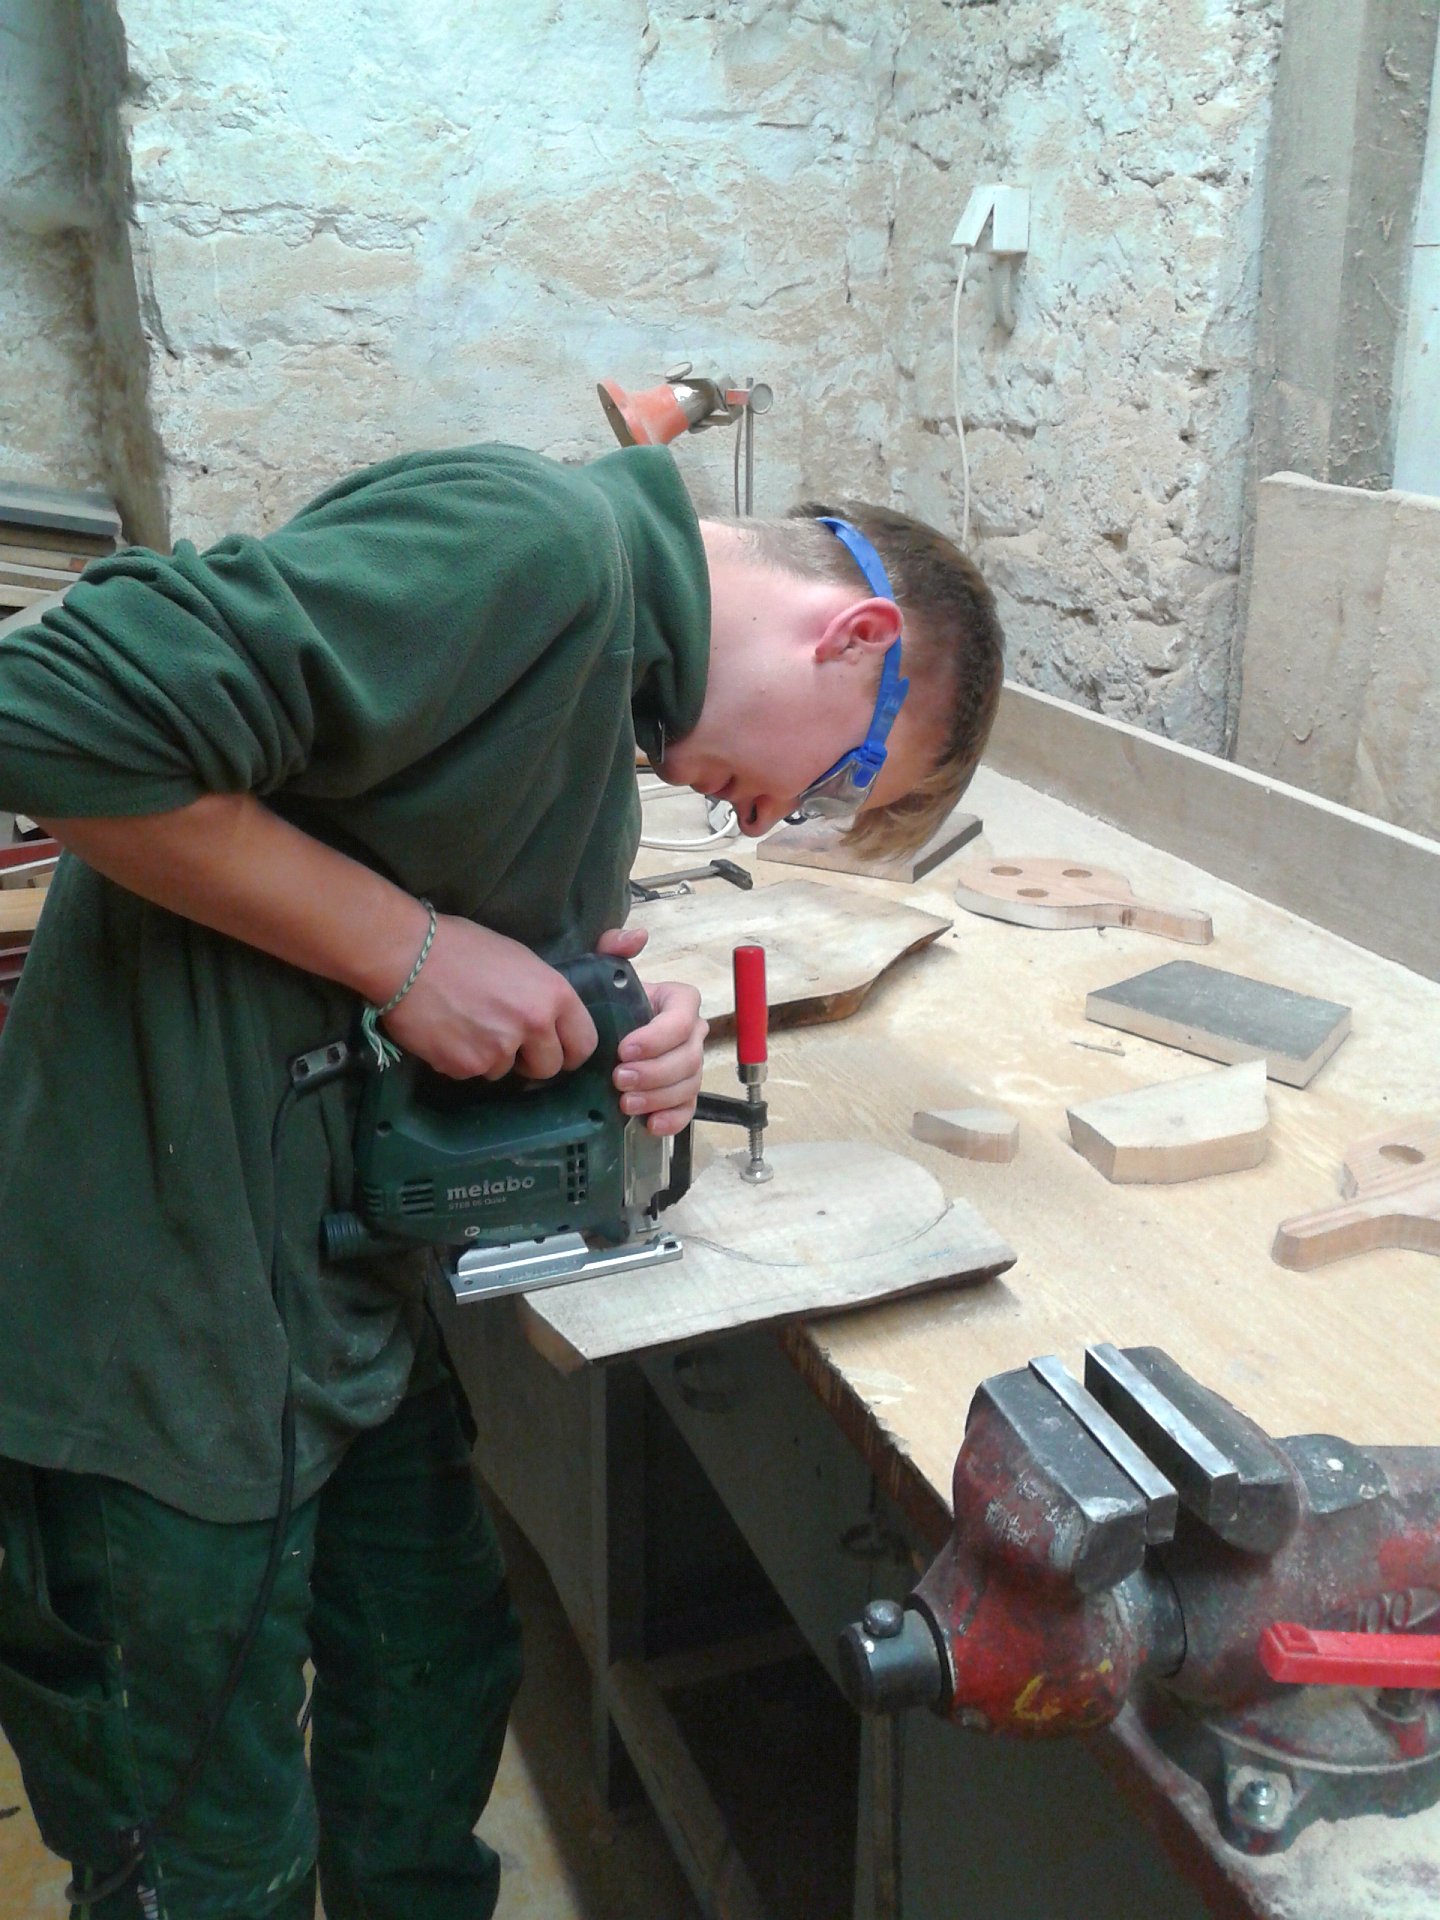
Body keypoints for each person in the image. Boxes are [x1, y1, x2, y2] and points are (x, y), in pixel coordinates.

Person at [0, 438, 1004, 1919]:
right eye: (842, 776)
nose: (766, 822)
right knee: (209, 1860)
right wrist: (407, 953)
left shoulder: (604, 691)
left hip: (325, 1297)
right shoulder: (536, 548)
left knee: (435, 1679)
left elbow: (422, 915)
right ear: (852, 638)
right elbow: (42, 710)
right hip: (162, 1326)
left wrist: (617, 1029)